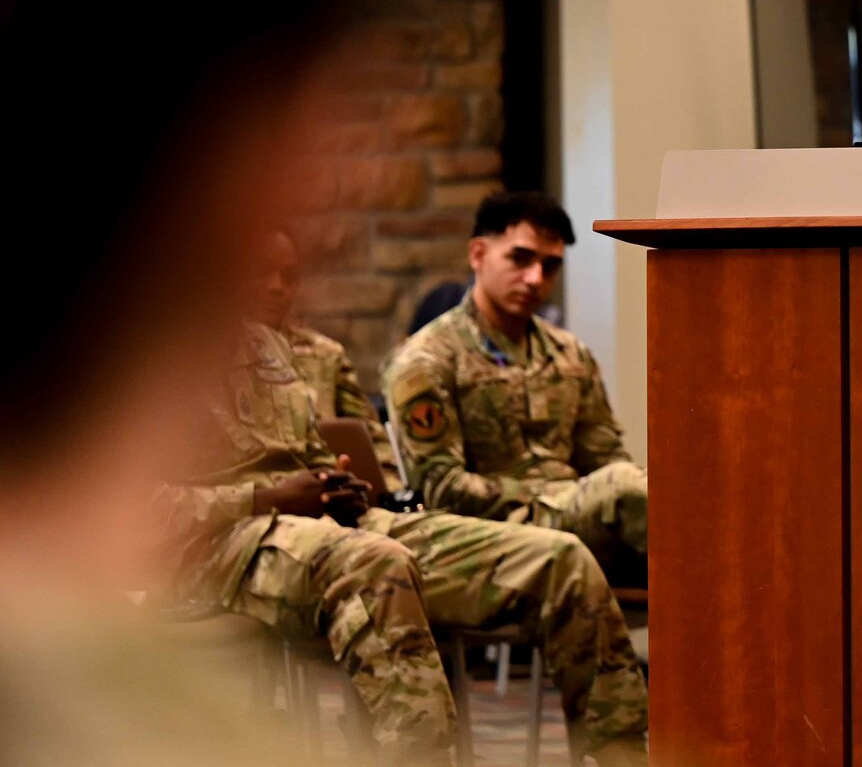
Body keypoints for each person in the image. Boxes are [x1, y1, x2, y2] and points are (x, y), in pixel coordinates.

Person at [159, 318, 651, 766]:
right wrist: (267, 496)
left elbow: (308, 454)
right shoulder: (131, 354)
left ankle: (619, 755)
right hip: (215, 546)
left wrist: (334, 487)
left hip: (323, 526)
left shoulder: (261, 342)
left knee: (557, 557)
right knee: (376, 564)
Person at [384, 193, 648, 586]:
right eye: (520, 259)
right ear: (478, 254)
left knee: (671, 492)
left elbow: (605, 456)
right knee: (628, 488)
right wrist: (553, 496)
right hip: (489, 536)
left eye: (550, 266)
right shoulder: (427, 359)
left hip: (574, 523)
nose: (536, 279)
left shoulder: (569, 354)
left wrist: (581, 497)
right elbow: (440, 488)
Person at [252, 226, 404, 491]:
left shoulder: (325, 355)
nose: (277, 287)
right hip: (258, 505)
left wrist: (387, 493)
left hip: (338, 499)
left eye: (289, 277)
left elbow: (375, 446)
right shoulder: (204, 360)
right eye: (261, 273)